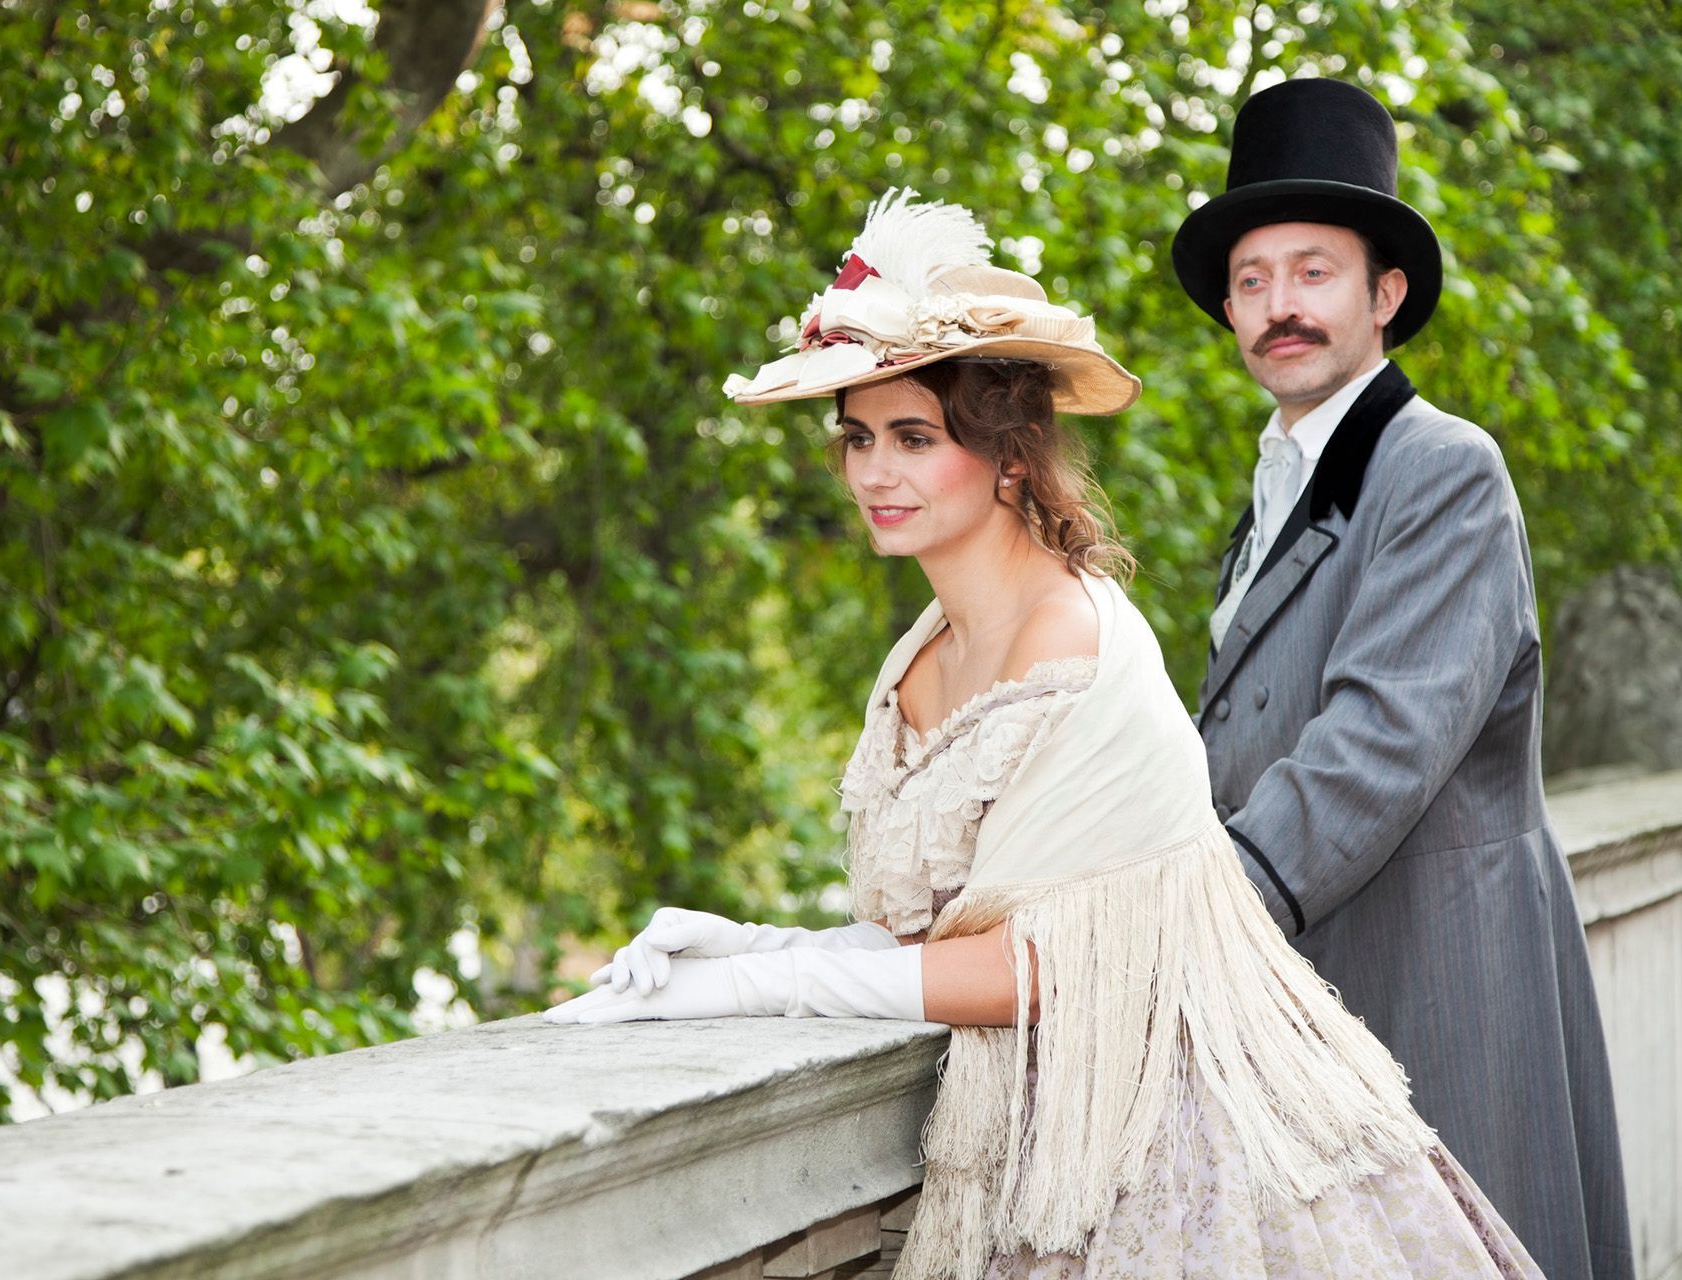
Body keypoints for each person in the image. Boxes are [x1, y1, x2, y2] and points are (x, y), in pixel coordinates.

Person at [547, 191, 1541, 1279]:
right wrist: (759, 942)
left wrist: (759, 985)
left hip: (1171, 1149)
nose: (876, 472)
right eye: (859, 438)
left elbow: (1047, 963)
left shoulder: (1068, 637)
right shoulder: (921, 655)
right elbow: (946, 920)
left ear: (1009, 454)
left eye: (916, 438)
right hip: (1034, 1130)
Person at [1170, 78, 1633, 1280]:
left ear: (1385, 296)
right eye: (1254, 278)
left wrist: (1178, 924)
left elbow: (1374, 744)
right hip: (1317, 1003)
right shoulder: (1270, 496)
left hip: (1440, 990)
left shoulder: (1444, 470)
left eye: (1313, 271)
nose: (1281, 307)